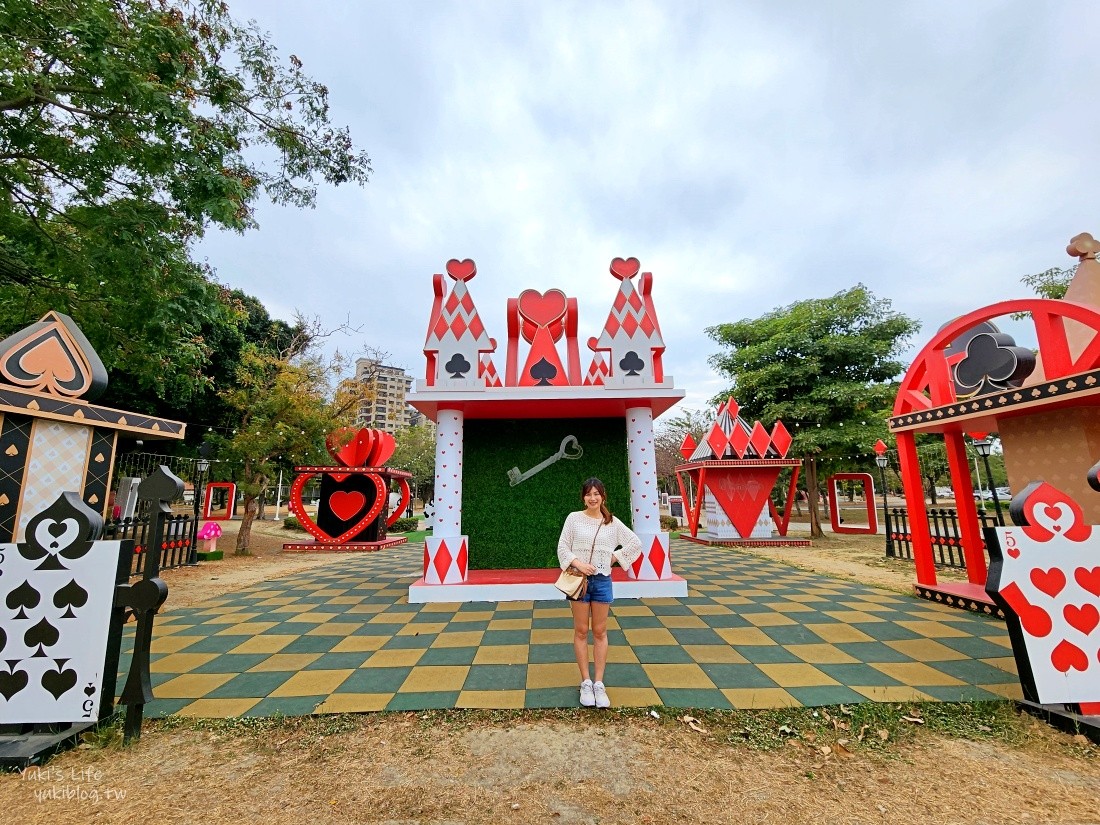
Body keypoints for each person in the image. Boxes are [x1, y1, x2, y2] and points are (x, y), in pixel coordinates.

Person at [556, 477, 642, 708]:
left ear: (603, 496)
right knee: (581, 631)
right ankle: (585, 681)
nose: (592, 498)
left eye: (596, 494)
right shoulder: (574, 519)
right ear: (583, 497)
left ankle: (599, 683)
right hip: (579, 580)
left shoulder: (612, 523)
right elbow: (562, 546)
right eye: (588, 494)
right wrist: (578, 563)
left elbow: (635, 543)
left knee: (600, 631)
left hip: (603, 581)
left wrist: (614, 558)